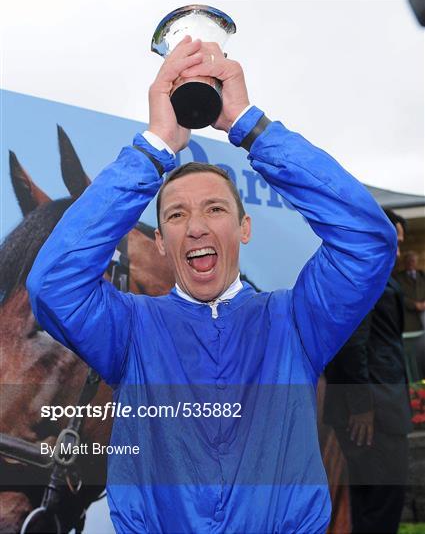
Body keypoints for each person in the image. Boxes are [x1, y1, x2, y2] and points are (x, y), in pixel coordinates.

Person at [26, 37, 397, 533]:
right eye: (177, 214)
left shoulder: (296, 322)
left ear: (244, 230)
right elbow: (53, 284)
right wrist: (155, 145)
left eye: (215, 209)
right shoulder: (131, 329)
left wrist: (247, 124)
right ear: (161, 242)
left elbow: (367, 242)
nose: (196, 227)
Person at [323, 209, 413, 534]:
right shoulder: (363, 276)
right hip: (373, 418)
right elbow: (350, 346)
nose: (398, 252)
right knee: (380, 509)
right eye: (394, 241)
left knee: (372, 509)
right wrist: (362, 408)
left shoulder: (369, 273)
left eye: (400, 244)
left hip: (378, 411)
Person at [397, 250, 425, 332]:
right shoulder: (398, 278)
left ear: (416, 262)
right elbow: (399, 295)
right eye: (408, 261)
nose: (410, 263)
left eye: (413, 261)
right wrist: (414, 305)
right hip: (408, 316)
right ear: (404, 263)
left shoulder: (422, 275)